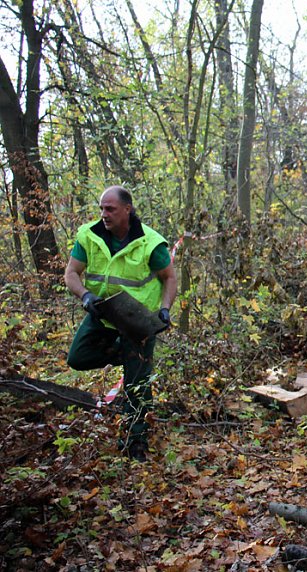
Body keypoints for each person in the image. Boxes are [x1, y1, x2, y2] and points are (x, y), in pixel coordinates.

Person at [64, 185, 177, 462]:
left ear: (127, 209)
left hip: (138, 321)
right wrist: (85, 295)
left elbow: (169, 278)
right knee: (78, 357)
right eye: (102, 208)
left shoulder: (150, 243)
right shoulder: (88, 235)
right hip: (103, 313)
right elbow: (71, 273)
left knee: (137, 386)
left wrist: (164, 310)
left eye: (110, 209)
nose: (104, 214)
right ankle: (125, 356)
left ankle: (135, 443)